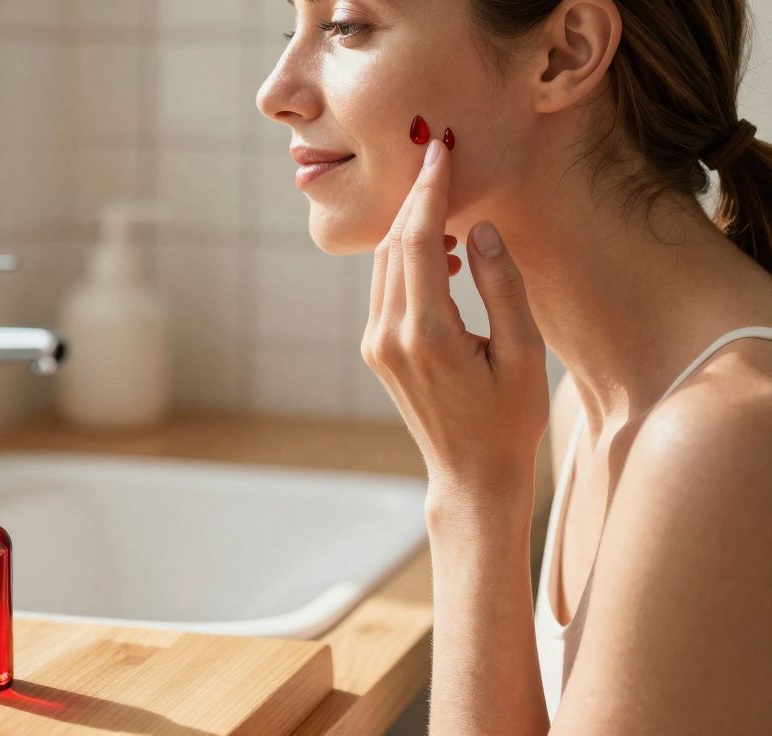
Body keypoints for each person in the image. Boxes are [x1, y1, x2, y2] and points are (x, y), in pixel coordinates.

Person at [257, 0, 772, 732]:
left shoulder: (724, 438)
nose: (276, 93)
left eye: (346, 26)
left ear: (564, 53)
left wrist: (472, 494)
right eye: (294, 28)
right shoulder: (590, 406)